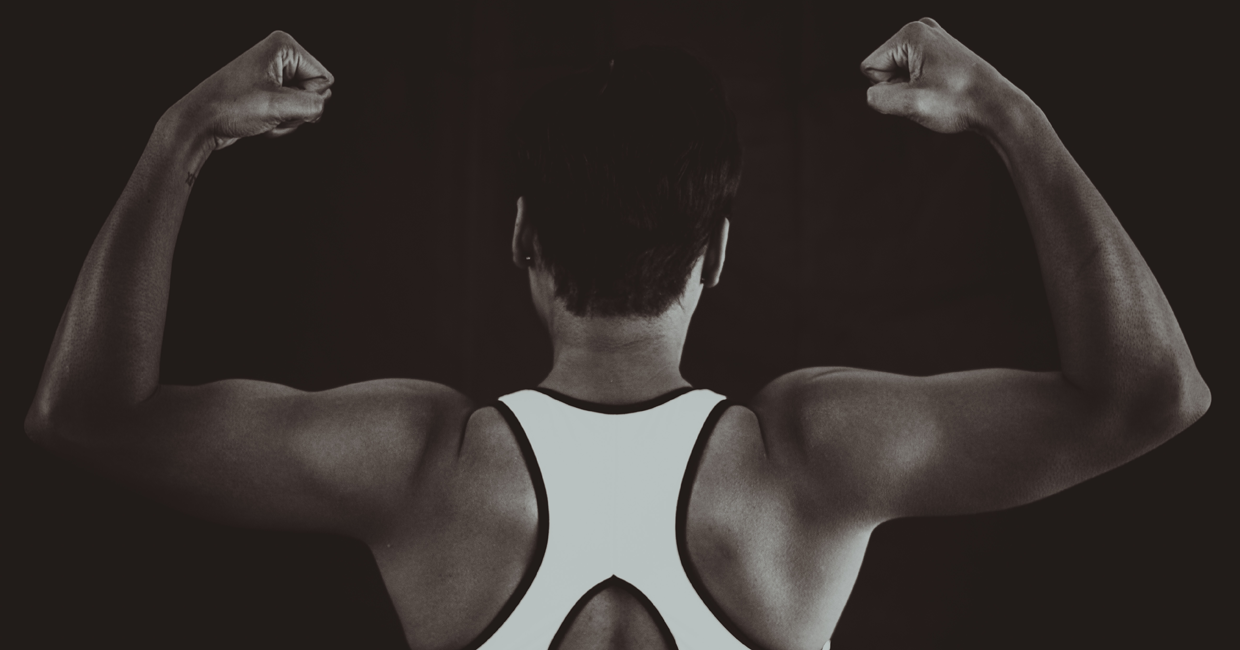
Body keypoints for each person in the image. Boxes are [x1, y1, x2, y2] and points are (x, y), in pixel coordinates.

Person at [25, 18, 1210, 650]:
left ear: (523, 243)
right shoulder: (809, 458)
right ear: (718, 254)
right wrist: (1015, 117)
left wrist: (182, 134)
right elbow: (1150, 395)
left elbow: (86, 417)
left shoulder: (420, 466)